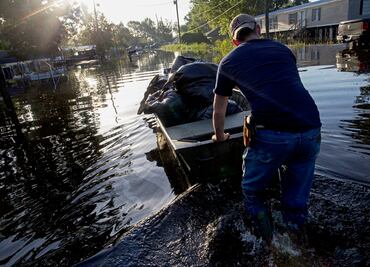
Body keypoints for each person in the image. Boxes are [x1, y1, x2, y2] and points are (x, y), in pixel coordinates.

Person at [212, 14, 321, 243]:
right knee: (296, 199)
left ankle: (269, 244)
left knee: (252, 191)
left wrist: (220, 136)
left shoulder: (229, 61)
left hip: (273, 136)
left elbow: (218, 111)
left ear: (234, 40)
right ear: (259, 29)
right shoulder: (284, 50)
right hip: (311, 128)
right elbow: (285, 86)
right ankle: (298, 240)